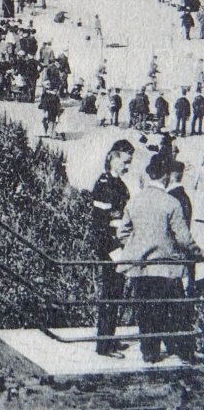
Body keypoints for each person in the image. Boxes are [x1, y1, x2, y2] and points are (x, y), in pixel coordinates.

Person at [117, 154, 202, 363]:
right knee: (170, 309)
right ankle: (184, 351)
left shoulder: (135, 201)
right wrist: (197, 252)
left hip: (140, 268)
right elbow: (183, 238)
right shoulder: (171, 203)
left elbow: (122, 233)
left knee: (145, 310)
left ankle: (149, 352)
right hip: (165, 267)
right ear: (165, 176)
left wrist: (137, 247)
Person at [91, 139, 135, 357]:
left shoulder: (118, 184)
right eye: (126, 162)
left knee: (115, 294)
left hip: (119, 246)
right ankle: (104, 345)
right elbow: (101, 226)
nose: (127, 167)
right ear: (114, 157)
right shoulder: (104, 185)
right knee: (110, 295)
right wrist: (116, 253)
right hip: (109, 248)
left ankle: (110, 338)